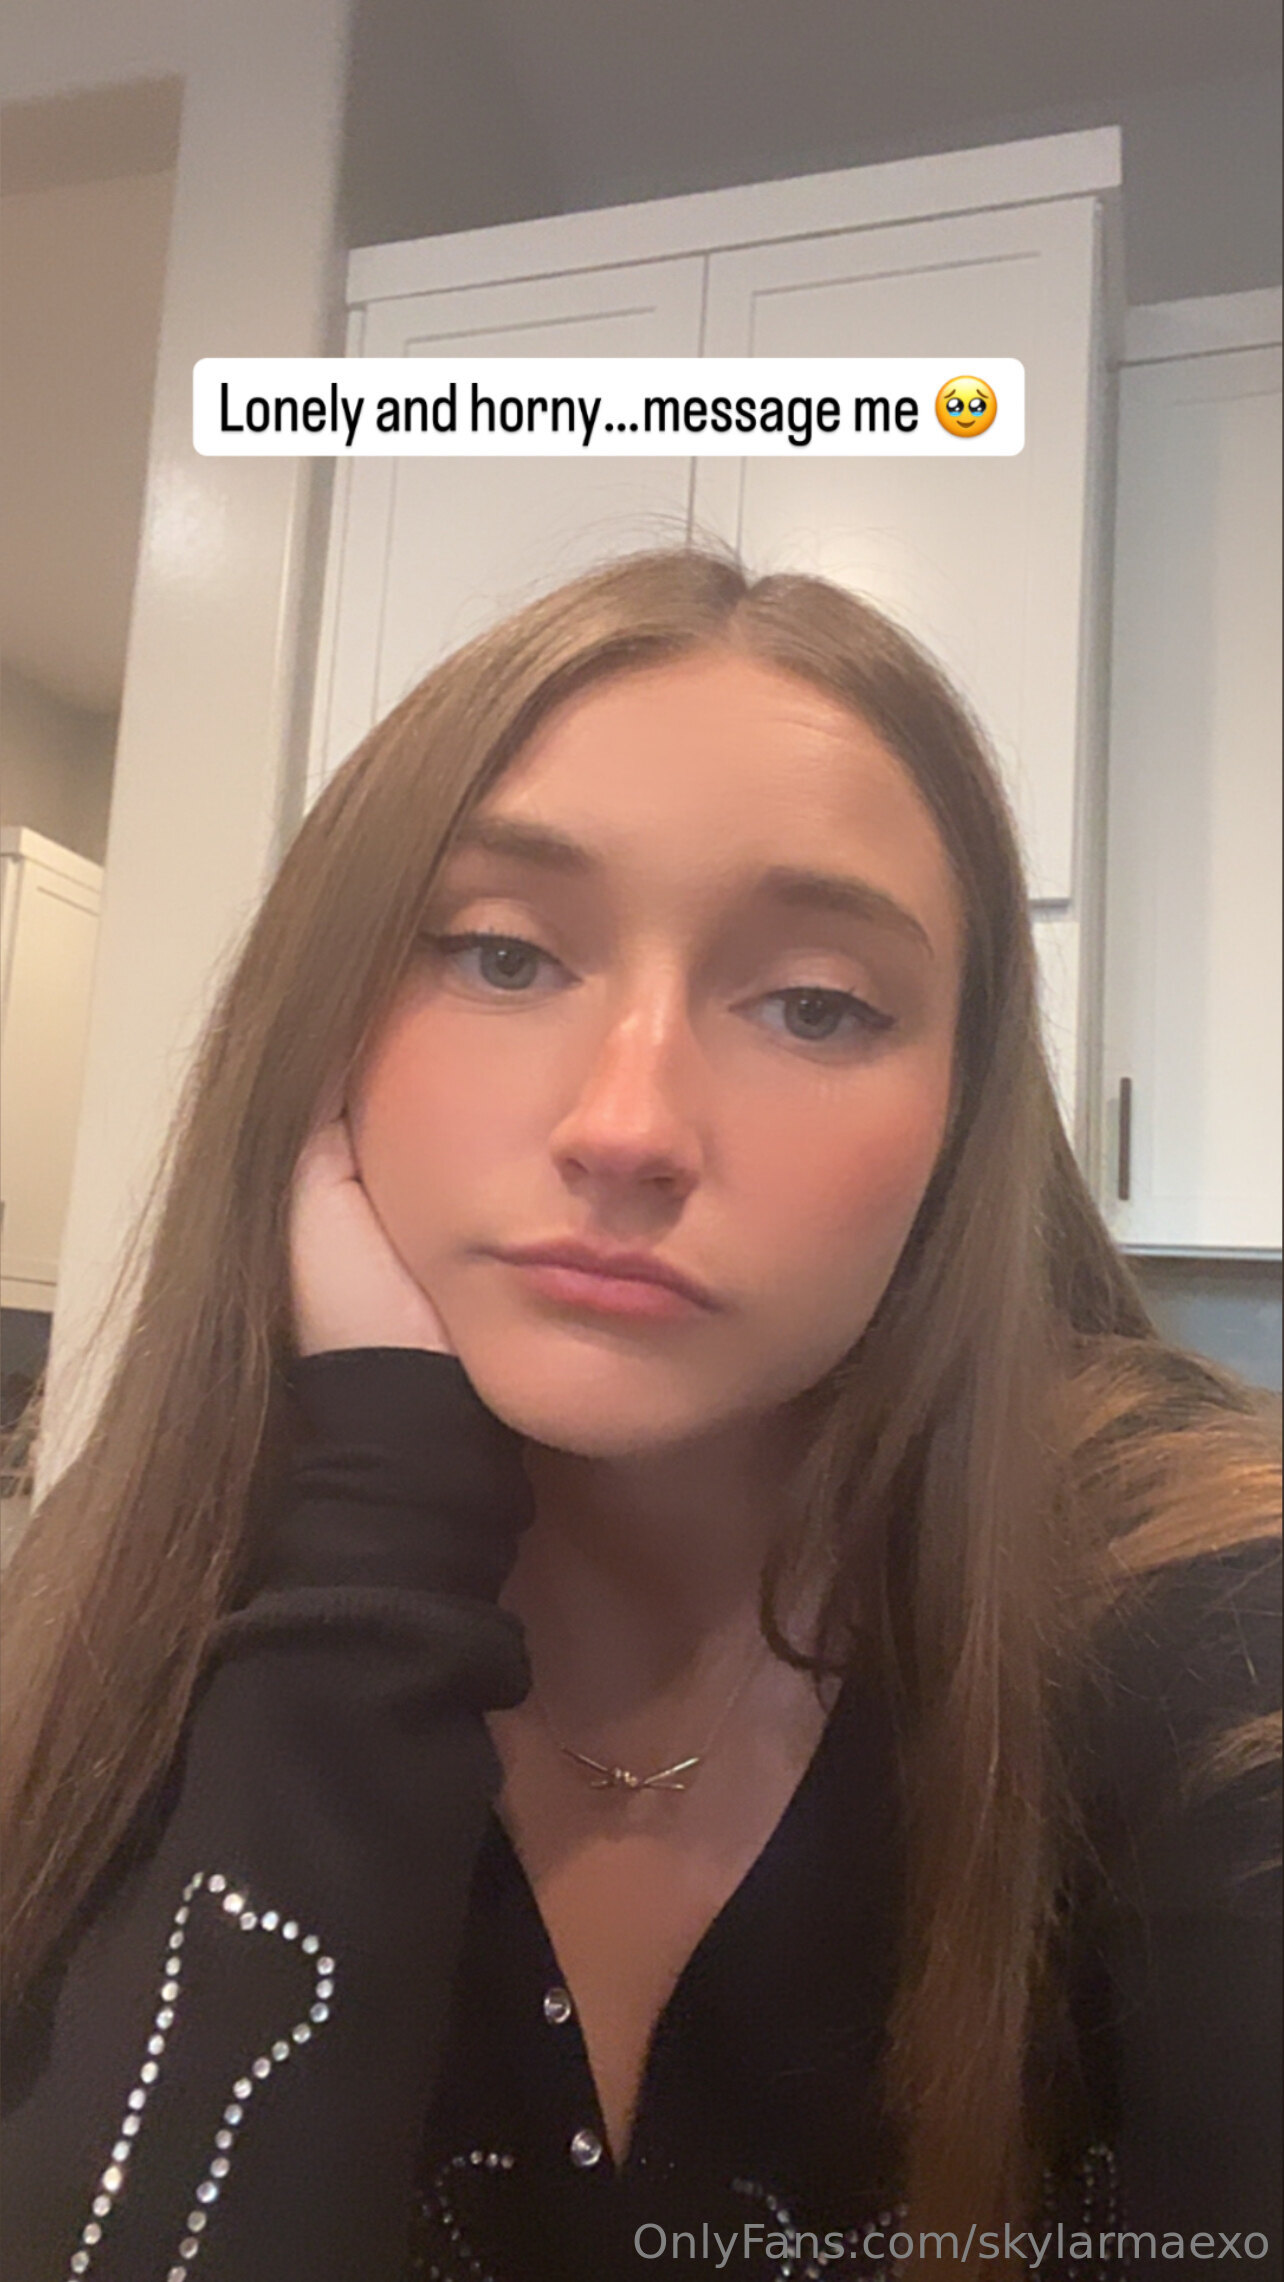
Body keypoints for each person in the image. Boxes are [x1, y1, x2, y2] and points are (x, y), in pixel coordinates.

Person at [1, 548, 1278, 2282]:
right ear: (322, 1040)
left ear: (962, 1122)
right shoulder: (122, 1623)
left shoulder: (1213, 1639)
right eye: (503, 955)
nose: (628, 1125)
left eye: (815, 1004)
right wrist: (375, 1501)